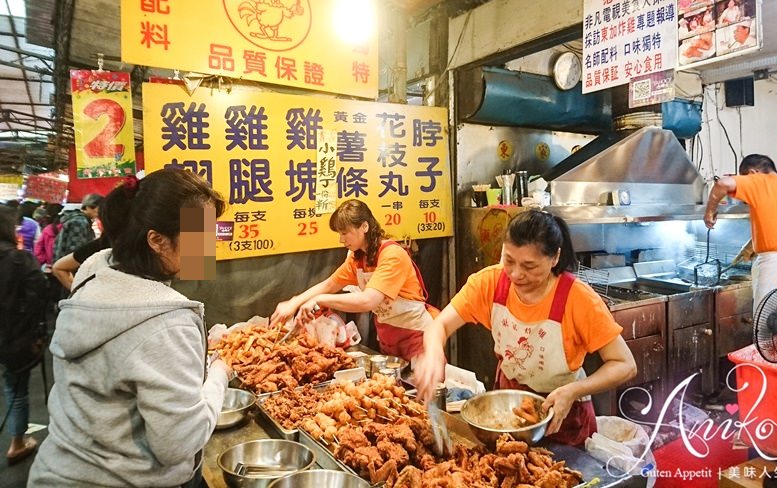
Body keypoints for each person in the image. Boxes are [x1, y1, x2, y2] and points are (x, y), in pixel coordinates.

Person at [27, 169, 232, 488]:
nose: (212, 247)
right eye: (202, 235)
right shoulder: (165, 320)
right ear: (157, 240)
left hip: (56, 470)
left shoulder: (94, 272)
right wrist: (220, 373)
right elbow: (179, 444)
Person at [415, 210, 636, 446]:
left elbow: (625, 365)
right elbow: (440, 325)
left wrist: (574, 391)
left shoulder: (577, 298)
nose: (516, 274)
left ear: (555, 258)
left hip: (563, 416)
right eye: (509, 260)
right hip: (508, 409)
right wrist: (433, 353)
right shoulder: (490, 283)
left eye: (529, 266)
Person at [270, 199, 438, 362]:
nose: (341, 240)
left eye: (345, 233)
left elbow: (368, 301)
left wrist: (319, 300)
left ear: (364, 226)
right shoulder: (357, 259)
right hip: (387, 338)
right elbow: (330, 284)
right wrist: (294, 303)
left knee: (425, 388)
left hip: (417, 337)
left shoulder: (392, 255)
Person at [704, 154, 777, 313]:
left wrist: (710, 213)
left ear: (753, 173)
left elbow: (722, 183)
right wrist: (752, 244)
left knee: (766, 328)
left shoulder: (759, 180)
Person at [0, 205, 49, 465]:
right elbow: (39, 298)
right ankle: (17, 443)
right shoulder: (20, 260)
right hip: (14, 338)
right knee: (16, 391)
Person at [52, 193, 102, 263]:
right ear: (89, 207)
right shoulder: (80, 222)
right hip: (69, 267)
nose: (101, 212)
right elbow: (76, 251)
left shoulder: (76, 218)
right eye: (100, 208)